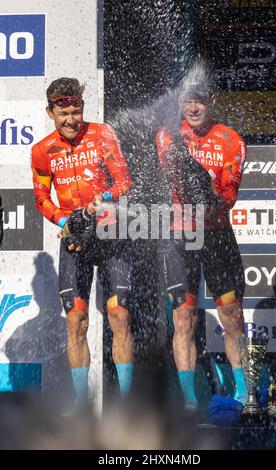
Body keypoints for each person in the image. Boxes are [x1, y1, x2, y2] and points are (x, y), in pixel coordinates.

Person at [31, 77, 134, 402]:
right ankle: (81, 404)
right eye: (64, 115)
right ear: (51, 113)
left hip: (110, 234)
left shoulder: (103, 135)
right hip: (74, 240)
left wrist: (102, 198)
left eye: (76, 112)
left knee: (119, 316)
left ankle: (129, 403)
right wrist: (65, 219)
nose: (72, 120)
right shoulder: (42, 151)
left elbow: (124, 182)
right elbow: (41, 200)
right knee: (76, 321)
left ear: (83, 108)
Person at [156, 81, 247, 409]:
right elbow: (175, 183)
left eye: (200, 102)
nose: (193, 108)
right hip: (181, 237)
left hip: (218, 234)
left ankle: (244, 392)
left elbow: (229, 198)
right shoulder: (168, 136)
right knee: (183, 319)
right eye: (187, 101)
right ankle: (190, 401)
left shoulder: (231, 140)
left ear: (213, 101)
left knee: (232, 315)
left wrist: (206, 187)